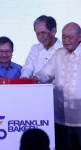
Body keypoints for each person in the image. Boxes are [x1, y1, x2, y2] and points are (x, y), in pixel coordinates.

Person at [35, 22, 81, 150]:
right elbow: (45, 72)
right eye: (64, 37)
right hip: (60, 117)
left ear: (80, 37)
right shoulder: (59, 53)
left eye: (70, 37)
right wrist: (35, 78)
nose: (66, 41)